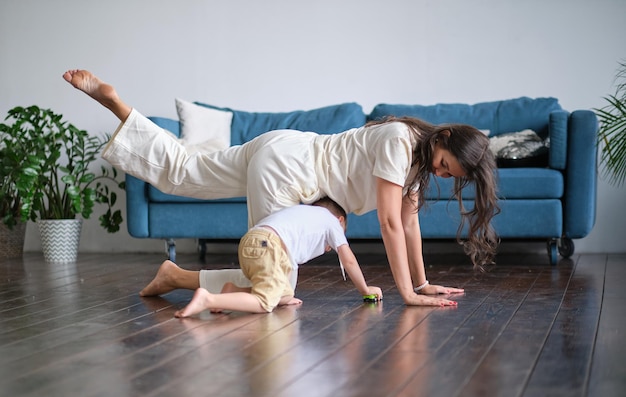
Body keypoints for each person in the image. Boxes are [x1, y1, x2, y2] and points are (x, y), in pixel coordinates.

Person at [62, 69, 499, 307]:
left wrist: (421, 284)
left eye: (450, 175)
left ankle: (118, 104)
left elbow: (409, 225)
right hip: (290, 169)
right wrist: (405, 294)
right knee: (273, 286)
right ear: (441, 138)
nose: (442, 174)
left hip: (284, 150)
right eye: (444, 164)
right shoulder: (401, 141)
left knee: (187, 171)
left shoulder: (417, 161)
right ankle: (176, 277)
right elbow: (388, 222)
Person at [140, 197, 385, 316]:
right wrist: (365, 289)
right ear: (340, 220)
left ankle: (230, 290)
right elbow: (349, 259)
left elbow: (287, 259)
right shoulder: (331, 221)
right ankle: (209, 300)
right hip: (270, 247)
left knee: (283, 292)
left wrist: (286, 295)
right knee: (265, 303)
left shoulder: (300, 214)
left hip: (253, 242)